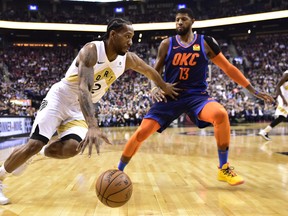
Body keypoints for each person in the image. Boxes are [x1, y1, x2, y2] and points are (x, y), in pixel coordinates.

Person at [0, 18, 180, 205]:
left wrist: (164, 86)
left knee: (72, 148)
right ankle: (1, 177)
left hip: (79, 109)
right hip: (60, 99)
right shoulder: (91, 51)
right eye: (127, 36)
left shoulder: (128, 59)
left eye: (132, 37)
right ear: (113, 34)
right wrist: (93, 126)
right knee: (34, 143)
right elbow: (84, 89)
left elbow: (150, 71)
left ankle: (37, 153)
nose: (130, 42)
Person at [115, 8, 274, 186]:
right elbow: (154, 71)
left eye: (183, 19)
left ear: (193, 21)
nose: (179, 23)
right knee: (141, 133)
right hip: (170, 96)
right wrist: (154, 87)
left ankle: (224, 168)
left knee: (220, 114)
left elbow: (228, 68)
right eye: (177, 20)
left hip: (197, 97)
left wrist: (253, 90)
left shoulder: (206, 42)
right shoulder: (167, 44)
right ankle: (117, 171)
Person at [259, 70, 288, 140]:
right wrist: (282, 98)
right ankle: (264, 131)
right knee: (282, 117)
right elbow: (278, 86)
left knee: (282, 117)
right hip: (283, 99)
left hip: (286, 99)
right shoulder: (287, 74)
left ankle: (265, 131)